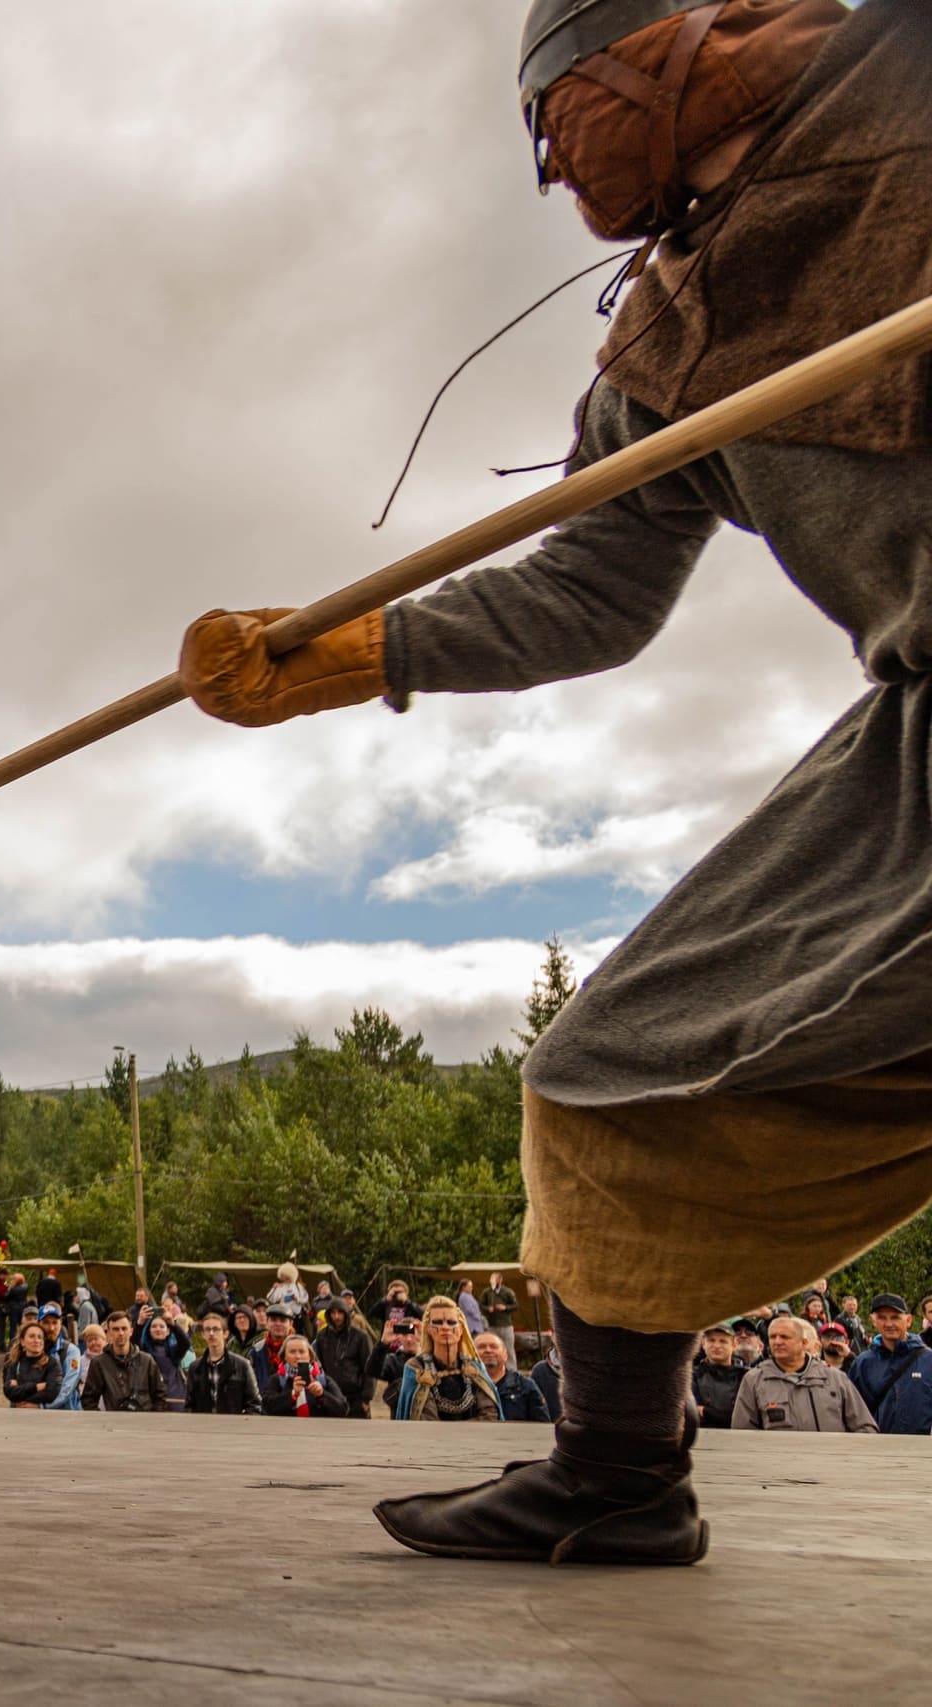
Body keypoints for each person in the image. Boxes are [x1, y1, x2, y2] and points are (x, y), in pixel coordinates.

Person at [181, 0, 932, 1565]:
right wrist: (343, 652)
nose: (554, 156)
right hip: (922, 730)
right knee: (608, 1061)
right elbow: (590, 593)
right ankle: (618, 1475)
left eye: (562, 100)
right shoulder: (670, 344)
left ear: (680, 36)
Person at [734, 1316, 875, 1432]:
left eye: (784, 1337)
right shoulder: (754, 1380)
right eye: (773, 1337)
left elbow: (865, 1427)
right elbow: (742, 1435)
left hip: (832, 1463)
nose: (777, 1342)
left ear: (804, 1343)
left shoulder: (835, 1378)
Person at [390, 1301, 503, 1422]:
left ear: (460, 1329)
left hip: (476, 1439)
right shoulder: (416, 1368)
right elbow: (423, 1420)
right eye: (437, 1322)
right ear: (428, 1329)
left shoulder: (475, 1367)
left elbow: (491, 1415)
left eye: (451, 1322)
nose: (445, 1327)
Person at [847, 1293, 932, 1435]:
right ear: (873, 1321)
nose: (889, 1324)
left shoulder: (928, 1360)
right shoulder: (862, 1364)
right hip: (878, 1450)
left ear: (909, 1320)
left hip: (922, 1451)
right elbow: (851, 1412)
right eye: (882, 1318)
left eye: (895, 1317)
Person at [79, 1312, 162, 1413]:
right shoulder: (99, 1363)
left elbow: (160, 1396)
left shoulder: (147, 1361)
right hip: (113, 1423)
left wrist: (153, 1419)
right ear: (108, 1333)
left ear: (131, 1331)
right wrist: (101, 1421)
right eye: (116, 1329)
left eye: (124, 1328)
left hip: (144, 1422)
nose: (121, 1333)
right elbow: (88, 1400)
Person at [184, 1310, 259, 1415]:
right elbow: (189, 1405)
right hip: (202, 1427)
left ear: (225, 1333)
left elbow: (254, 1404)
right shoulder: (195, 1367)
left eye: (215, 1329)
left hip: (233, 1428)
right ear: (203, 1334)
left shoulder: (242, 1365)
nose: (211, 1333)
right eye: (207, 1329)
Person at [312, 1300, 376, 1419]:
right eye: (333, 1313)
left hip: (355, 1397)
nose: (336, 1316)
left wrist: (366, 1398)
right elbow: (318, 1366)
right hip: (331, 1395)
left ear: (346, 1314)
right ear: (329, 1314)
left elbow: (370, 1369)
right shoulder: (322, 1336)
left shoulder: (361, 1337)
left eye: (340, 1313)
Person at [263, 1335, 351, 1418]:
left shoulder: (323, 1379)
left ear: (310, 1356)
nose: (297, 1356)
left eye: (302, 1352)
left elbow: (343, 1409)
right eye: (292, 1352)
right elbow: (266, 1408)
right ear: (284, 1356)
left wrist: (322, 1395)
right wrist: (292, 1395)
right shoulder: (277, 1380)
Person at [479, 1333, 553, 1422]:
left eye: (494, 1346)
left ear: (505, 1355)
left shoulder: (525, 1386)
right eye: (481, 1347)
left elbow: (543, 1425)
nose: (488, 1350)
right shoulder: (464, 1386)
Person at [3, 1322, 57, 1408]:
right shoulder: (14, 1363)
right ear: (22, 1341)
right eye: (32, 1336)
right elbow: (8, 1391)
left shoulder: (52, 1364)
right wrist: (36, 1387)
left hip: (43, 1415)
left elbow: (51, 1393)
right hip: (17, 1413)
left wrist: (21, 1395)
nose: (36, 1340)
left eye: (40, 1337)